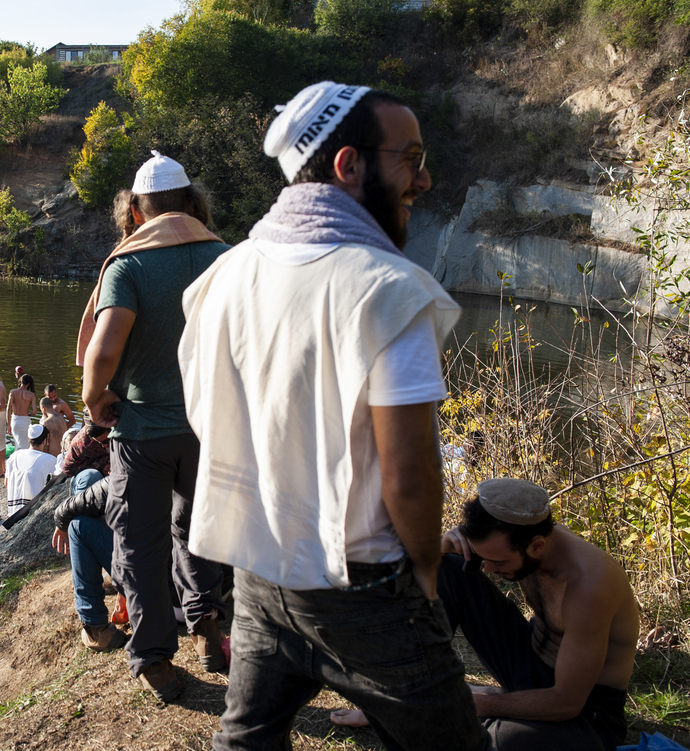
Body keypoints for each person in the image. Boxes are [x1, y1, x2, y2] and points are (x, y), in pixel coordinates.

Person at [178, 82, 489, 749]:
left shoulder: (224, 277)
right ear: (349, 165)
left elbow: (208, 418)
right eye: (410, 158)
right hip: (368, 588)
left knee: (247, 739)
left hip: (262, 572)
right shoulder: (388, 289)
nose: (424, 178)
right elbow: (408, 473)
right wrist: (429, 569)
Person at [78, 150, 230, 702]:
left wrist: (96, 402)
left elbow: (104, 347)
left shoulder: (129, 265)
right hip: (211, 429)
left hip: (143, 432)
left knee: (140, 545)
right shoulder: (228, 257)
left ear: (136, 212)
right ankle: (212, 631)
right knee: (200, 529)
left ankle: (157, 663)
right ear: (192, 203)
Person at [331, 479, 639, 751]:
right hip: (530, 664)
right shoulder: (514, 536)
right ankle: (399, 698)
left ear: (537, 545)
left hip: (585, 710)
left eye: (496, 561)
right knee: (448, 568)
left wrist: (481, 703)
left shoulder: (589, 585)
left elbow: (567, 702)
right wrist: (442, 548)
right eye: (483, 557)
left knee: (497, 741)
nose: (488, 569)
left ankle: (473, 713)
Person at [51, 469, 127, 652]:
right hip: (197, 598)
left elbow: (110, 487)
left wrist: (63, 516)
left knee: (78, 524)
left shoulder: (143, 456)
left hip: (161, 596)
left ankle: (96, 629)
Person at [6, 424, 57, 513]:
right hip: (34, 512)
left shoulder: (14, 456)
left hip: (12, 512)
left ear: (29, 440)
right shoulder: (50, 459)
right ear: (44, 441)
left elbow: (6, 482)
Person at [60, 412, 112, 478]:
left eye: (107, 441)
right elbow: (67, 469)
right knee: (91, 475)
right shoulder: (81, 443)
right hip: (89, 475)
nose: (103, 445)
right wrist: (101, 466)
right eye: (99, 442)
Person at [7, 373, 38, 451]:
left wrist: (8, 425)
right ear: (29, 384)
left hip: (15, 421)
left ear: (20, 381)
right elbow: (34, 412)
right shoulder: (31, 395)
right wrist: (28, 414)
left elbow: (8, 409)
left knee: (17, 443)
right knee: (26, 445)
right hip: (25, 421)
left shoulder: (13, 392)